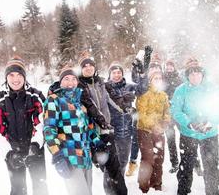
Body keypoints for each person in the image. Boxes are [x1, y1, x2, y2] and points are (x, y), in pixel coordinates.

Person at [0, 56, 48, 195]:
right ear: (6, 78)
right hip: (13, 151)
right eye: (12, 75)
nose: (16, 79)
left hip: (35, 149)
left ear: (25, 77)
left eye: (19, 74)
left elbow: (43, 123)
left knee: (41, 188)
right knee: (18, 190)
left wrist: (35, 145)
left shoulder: (35, 96)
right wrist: (9, 154)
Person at [171, 58, 219, 195]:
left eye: (197, 73)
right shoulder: (181, 90)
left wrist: (211, 122)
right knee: (186, 166)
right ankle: (183, 192)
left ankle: (212, 191)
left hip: (209, 134)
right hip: (188, 134)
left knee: (211, 166)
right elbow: (175, 110)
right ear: (187, 75)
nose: (195, 76)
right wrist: (189, 122)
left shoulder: (213, 88)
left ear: (203, 74)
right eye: (191, 74)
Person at [43, 67, 104, 195]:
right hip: (70, 158)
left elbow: (89, 128)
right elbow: (49, 130)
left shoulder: (80, 103)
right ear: (60, 82)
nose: (70, 82)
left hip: (86, 158)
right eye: (66, 79)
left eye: (73, 79)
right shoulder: (54, 100)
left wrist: (98, 144)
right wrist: (58, 156)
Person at [78, 54, 128, 195]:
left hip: (106, 132)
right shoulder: (80, 86)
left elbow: (114, 99)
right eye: (85, 66)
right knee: (95, 168)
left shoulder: (101, 83)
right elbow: (90, 105)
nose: (88, 68)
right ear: (81, 70)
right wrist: (101, 120)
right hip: (91, 134)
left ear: (95, 67)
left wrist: (126, 107)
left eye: (90, 65)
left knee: (114, 169)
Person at [105, 63, 148, 177]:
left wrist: (143, 75)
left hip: (126, 131)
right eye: (114, 73)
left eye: (119, 72)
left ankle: (120, 181)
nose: (116, 75)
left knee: (123, 161)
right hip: (112, 131)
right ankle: (112, 184)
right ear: (109, 75)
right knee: (111, 161)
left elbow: (142, 89)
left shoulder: (129, 86)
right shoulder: (105, 88)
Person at [136, 69, 171, 193]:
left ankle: (156, 184)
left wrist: (164, 124)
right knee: (148, 159)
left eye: (159, 78)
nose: (158, 80)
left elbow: (167, 112)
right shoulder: (144, 94)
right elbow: (141, 114)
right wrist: (154, 126)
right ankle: (143, 186)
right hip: (144, 130)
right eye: (155, 78)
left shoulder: (163, 95)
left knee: (159, 158)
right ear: (150, 80)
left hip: (159, 132)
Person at [163, 59, 182, 173]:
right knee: (170, 139)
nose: (169, 68)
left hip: (178, 112)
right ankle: (174, 163)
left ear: (174, 67)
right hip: (167, 114)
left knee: (187, 137)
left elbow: (181, 95)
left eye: (171, 66)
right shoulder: (163, 78)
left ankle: (194, 161)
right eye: (168, 66)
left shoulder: (178, 79)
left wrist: (174, 101)